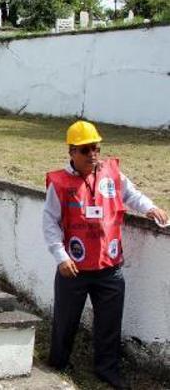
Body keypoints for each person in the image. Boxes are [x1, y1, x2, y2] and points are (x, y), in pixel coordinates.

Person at [43, 120, 168, 389]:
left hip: (109, 266)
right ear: (71, 151)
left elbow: (131, 195)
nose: (92, 155)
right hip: (73, 268)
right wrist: (61, 256)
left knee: (110, 323)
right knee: (65, 320)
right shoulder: (59, 182)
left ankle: (106, 369)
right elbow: (49, 222)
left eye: (96, 148)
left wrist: (151, 208)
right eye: (86, 150)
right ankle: (58, 362)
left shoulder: (112, 174)